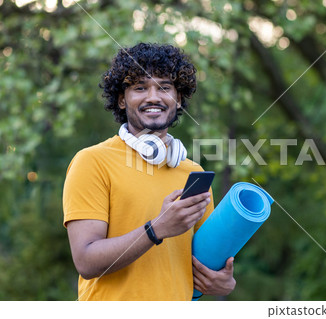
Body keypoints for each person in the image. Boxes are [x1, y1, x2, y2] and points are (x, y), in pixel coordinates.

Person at [62, 42, 235, 300]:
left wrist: (224, 283)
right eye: (140, 87)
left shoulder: (192, 172)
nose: (153, 96)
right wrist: (156, 229)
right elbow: (86, 261)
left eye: (164, 87)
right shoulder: (92, 161)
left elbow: (202, 268)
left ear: (178, 99)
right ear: (122, 99)